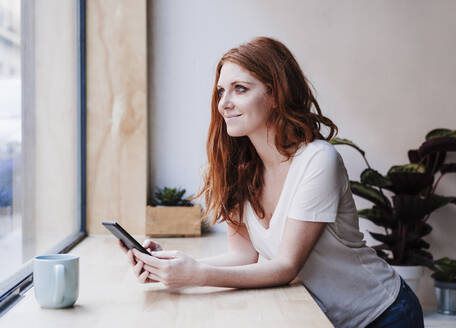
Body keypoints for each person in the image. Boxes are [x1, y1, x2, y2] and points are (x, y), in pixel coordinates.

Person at [118, 36, 424, 328]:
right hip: (326, 319)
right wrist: (174, 266)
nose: (224, 103)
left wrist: (195, 275)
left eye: (240, 89)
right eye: (220, 91)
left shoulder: (318, 160)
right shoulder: (240, 169)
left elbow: (285, 266)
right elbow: (244, 257)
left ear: (276, 95)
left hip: (384, 314)